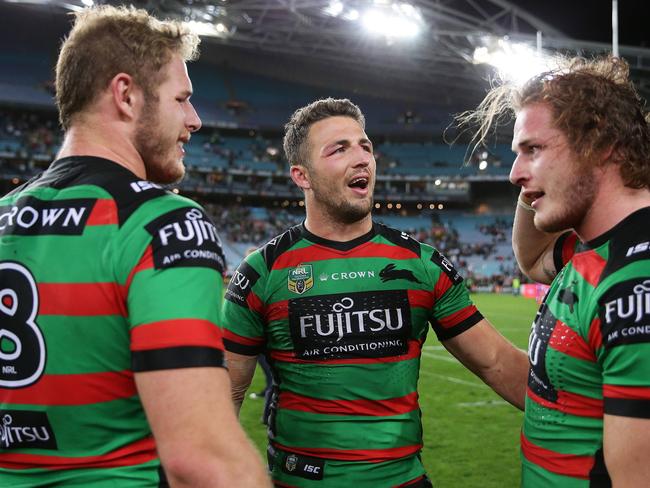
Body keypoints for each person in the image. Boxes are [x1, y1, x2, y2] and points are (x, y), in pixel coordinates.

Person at [0, 6, 270, 487]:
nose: (195, 119)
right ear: (126, 95)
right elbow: (204, 459)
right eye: (182, 99)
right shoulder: (162, 223)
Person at [222, 98, 529, 487]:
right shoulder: (262, 273)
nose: (362, 157)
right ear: (302, 175)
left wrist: (590, 419)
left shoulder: (421, 265)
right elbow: (228, 391)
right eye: (339, 149)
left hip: (403, 480)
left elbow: (497, 362)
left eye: (365, 146)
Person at [462, 55, 650, 486]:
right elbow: (531, 258)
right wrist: (541, 182)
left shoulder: (635, 285)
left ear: (603, 145)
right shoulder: (592, 251)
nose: (513, 174)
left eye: (533, 149)